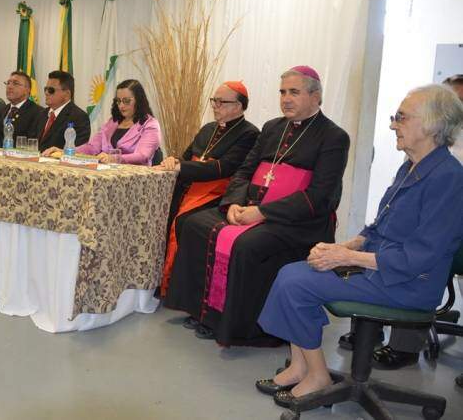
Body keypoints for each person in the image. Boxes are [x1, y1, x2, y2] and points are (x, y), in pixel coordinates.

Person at [256, 84, 463, 407]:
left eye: (401, 117)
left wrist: (347, 256)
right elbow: (380, 225)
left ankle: (318, 376)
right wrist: (344, 247)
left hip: (408, 283)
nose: (393, 125)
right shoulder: (411, 165)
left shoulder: (448, 178)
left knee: (298, 284)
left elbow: (418, 257)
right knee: (291, 271)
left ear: (432, 124)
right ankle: (300, 366)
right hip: (383, 268)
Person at [163, 66, 350, 346]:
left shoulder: (334, 136)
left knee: (247, 245)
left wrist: (262, 212)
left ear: (315, 96)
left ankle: (242, 327)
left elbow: (321, 196)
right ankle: (203, 312)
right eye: (282, 92)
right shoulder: (273, 128)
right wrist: (233, 203)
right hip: (253, 207)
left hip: (296, 220)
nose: (286, 99)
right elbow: (244, 171)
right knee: (194, 224)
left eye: (294, 92)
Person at [155, 81, 260, 296]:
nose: (215, 106)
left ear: (238, 106)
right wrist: (173, 160)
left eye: (222, 102)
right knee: (160, 211)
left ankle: (174, 287)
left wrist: (182, 166)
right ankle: (156, 279)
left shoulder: (249, 133)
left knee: (183, 221)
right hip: (190, 184)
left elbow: (224, 168)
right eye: (214, 101)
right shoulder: (208, 129)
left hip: (216, 192)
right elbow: (185, 157)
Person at [43, 79, 160, 164]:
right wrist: (66, 151)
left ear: (139, 100)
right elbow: (92, 147)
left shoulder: (150, 124)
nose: (121, 106)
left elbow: (143, 155)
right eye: (118, 101)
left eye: (126, 101)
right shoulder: (113, 122)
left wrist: (114, 158)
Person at [33, 70, 90, 152]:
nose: (46, 93)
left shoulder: (79, 117)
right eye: (45, 89)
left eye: (51, 90)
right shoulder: (41, 113)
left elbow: (76, 151)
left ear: (67, 94)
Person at [0, 71, 43, 147]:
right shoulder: (1, 110)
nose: (10, 87)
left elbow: (33, 143)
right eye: (8, 83)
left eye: (15, 83)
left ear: (28, 89)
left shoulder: (38, 113)